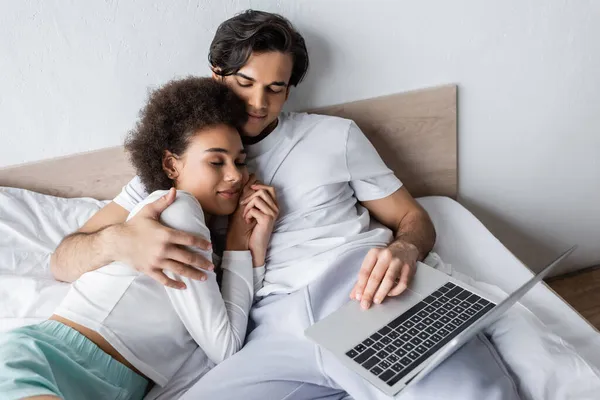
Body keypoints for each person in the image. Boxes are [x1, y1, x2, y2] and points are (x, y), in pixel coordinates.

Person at [50, 10, 518, 400]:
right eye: (245, 83)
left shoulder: (335, 136)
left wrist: (405, 250)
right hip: (268, 326)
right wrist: (120, 241)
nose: (258, 103)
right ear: (217, 75)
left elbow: (413, 218)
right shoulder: (181, 162)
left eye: (277, 87)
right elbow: (62, 259)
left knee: (468, 390)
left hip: (359, 290)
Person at [0, 77, 279, 400]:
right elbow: (225, 346)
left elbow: (233, 327)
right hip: (51, 361)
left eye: (240, 162)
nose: (234, 175)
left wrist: (251, 247)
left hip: (118, 388)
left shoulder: (207, 249)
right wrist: (237, 245)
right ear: (171, 165)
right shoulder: (177, 210)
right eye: (216, 161)